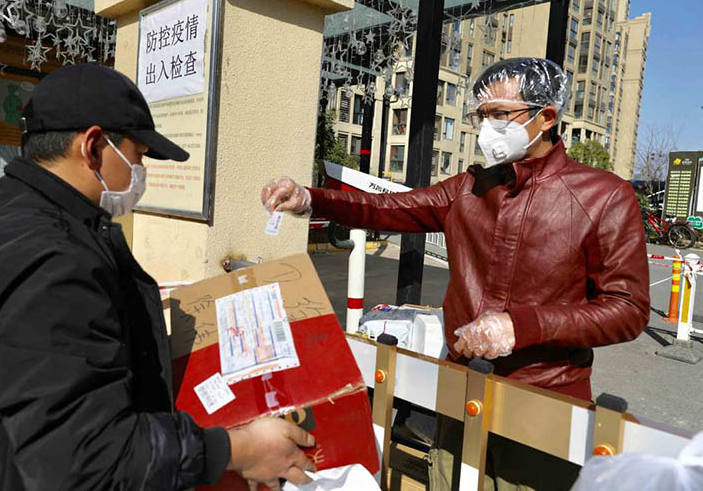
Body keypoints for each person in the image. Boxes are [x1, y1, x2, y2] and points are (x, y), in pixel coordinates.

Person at [0, 64, 315, 491]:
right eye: (138, 156)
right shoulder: (52, 261)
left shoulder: (8, 206)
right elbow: (88, 458)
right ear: (94, 147)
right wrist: (240, 449)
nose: (142, 172)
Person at [262, 57, 650, 490]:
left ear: (547, 117)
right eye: (481, 116)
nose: (487, 127)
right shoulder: (470, 188)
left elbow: (628, 309)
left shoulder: (604, 197)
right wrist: (312, 199)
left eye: (500, 114)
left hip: (545, 402)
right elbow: (390, 207)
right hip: (461, 390)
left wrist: (521, 326)